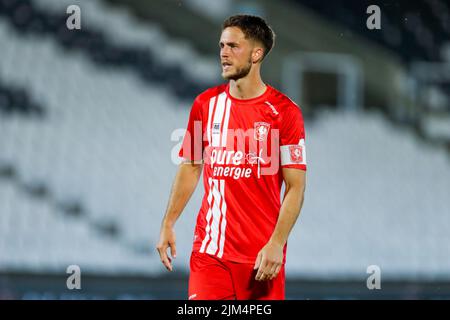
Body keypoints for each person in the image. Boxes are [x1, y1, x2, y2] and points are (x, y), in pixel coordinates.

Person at [156, 14, 307, 300]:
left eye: (234, 46)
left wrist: (277, 243)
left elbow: (296, 187)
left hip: (262, 260)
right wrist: (168, 223)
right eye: (222, 45)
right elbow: (190, 166)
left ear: (257, 53)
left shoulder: (285, 112)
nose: (224, 53)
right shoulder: (205, 104)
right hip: (210, 254)